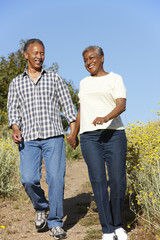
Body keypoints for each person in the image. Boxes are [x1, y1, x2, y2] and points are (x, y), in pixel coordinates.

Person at [7, 38, 76, 239]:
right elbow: (13, 111)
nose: (39, 56)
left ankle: (55, 222)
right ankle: (41, 207)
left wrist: (73, 132)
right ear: (26, 55)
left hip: (53, 136)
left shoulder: (54, 78)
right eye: (35, 53)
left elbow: (68, 106)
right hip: (27, 138)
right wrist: (15, 128)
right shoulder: (16, 82)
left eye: (42, 53)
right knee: (28, 179)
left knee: (55, 179)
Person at [67, 46, 127, 240]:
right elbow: (81, 109)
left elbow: (121, 105)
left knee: (117, 181)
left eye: (92, 58)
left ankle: (118, 225)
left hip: (114, 134)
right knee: (98, 181)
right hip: (89, 137)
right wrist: (73, 133)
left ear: (101, 58)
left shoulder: (115, 79)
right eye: (85, 60)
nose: (88, 62)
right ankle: (107, 229)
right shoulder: (84, 83)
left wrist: (105, 117)